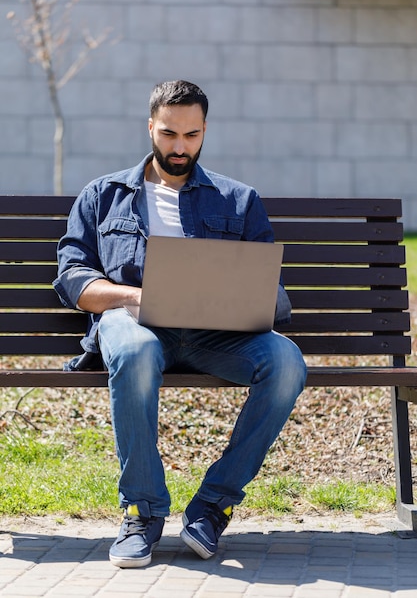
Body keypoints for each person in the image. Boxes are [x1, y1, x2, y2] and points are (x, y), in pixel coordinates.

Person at [53, 80, 307, 568]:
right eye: (169, 134)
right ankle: (141, 512)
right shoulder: (103, 195)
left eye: (191, 136)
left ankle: (212, 506)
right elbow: (72, 280)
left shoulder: (238, 200)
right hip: (136, 325)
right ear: (151, 126)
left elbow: (272, 293)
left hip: (217, 334)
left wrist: (242, 298)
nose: (179, 147)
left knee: (287, 361)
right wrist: (137, 295)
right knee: (133, 350)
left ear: (204, 131)